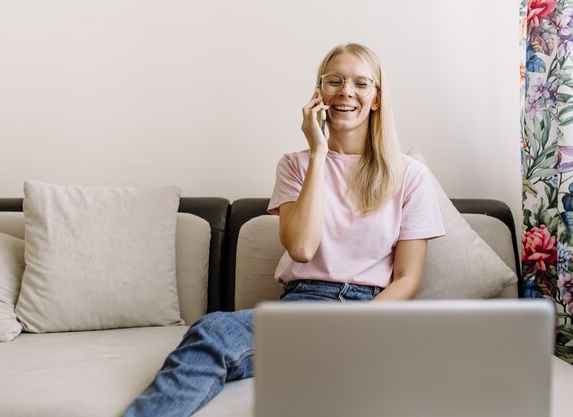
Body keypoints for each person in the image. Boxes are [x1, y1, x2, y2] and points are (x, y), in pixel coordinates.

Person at [123, 43, 445, 417]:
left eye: (361, 83)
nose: (346, 92)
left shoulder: (410, 175)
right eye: (335, 81)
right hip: (305, 305)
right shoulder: (295, 165)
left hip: (373, 312)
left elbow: (407, 279)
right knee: (212, 332)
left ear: (376, 98)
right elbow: (302, 249)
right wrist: (319, 152)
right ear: (319, 94)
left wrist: (356, 327)